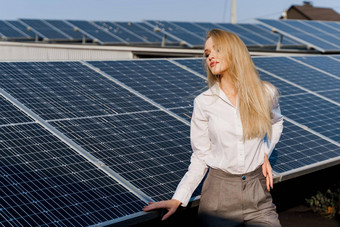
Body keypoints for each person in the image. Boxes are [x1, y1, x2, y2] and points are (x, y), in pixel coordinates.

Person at [143, 29, 283, 226]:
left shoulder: (265, 93)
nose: (211, 57)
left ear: (235, 52)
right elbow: (200, 156)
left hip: (257, 191)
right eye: (207, 53)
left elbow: (276, 123)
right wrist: (178, 198)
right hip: (219, 196)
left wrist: (264, 153)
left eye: (217, 50)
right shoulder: (204, 102)